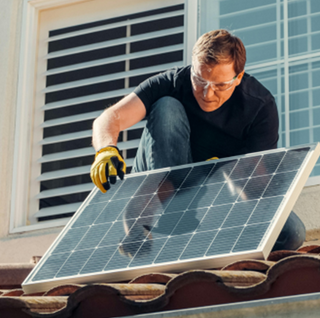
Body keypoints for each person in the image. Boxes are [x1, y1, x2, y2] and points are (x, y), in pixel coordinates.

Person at [90, 29, 306, 251]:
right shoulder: (172, 82)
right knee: (167, 106)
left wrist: (228, 175)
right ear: (192, 68)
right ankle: (163, 213)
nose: (207, 94)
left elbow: (259, 190)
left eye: (220, 85)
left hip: (217, 194)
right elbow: (110, 118)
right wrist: (105, 150)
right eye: (200, 80)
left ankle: (198, 228)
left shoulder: (259, 106)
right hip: (165, 182)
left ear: (238, 77)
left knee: (290, 234)